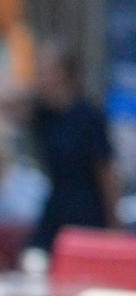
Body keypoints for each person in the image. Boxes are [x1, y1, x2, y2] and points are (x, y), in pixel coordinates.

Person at [27, 41, 119, 252]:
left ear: (63, 74)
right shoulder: (42, 114)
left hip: (87, 210)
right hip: (56, 208)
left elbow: (105, 173)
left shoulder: (89, 117)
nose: (39, 78)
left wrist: (114, 225)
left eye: (44, 71)